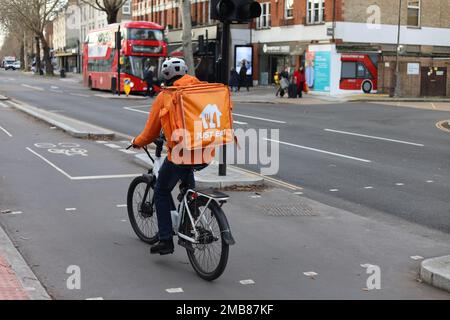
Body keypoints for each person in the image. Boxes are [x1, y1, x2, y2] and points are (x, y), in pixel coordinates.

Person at [131, 58, 209, 255]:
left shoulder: (166, 95)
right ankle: (191, 219)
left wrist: (138, 141)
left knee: (161, 191)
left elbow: (150, 132)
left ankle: (166, 239)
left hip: (181, 153)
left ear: (165, 75)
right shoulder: (199, 90)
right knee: (187, 187)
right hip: (205, 151)